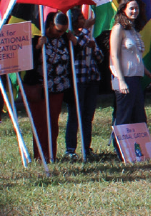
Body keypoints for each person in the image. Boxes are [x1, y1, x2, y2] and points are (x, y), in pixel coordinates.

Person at [28, 11, 73, 161]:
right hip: (39, 88)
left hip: (58, 88)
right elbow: (26, 63)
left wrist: (75, 42)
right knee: (40, 123)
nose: (61, 33)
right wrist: (36, 48)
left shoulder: (65, 38)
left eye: (64, 30)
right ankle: (40, 156)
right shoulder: (36, 38)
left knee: (53, 123)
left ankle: (51, 155)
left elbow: (72, 58)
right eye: (58, 30)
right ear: (50, 25)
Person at [109, 0, 151, 127]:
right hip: (124, 78)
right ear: (123, 9)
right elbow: (114, 55)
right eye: (131, 8)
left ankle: (137, 146)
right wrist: (121, 80)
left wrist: (149, 74)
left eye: (136, 8)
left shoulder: (133, 30)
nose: (134, 11)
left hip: (136, 78)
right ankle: (120, 147)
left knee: (139, 117)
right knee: (124, 116)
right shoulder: (118, 28)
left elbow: (137, 58)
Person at [64, 9, 102, 158]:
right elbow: (77, 46)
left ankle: (86, 148)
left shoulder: (88, 36)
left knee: (88, 116)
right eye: (80, 18)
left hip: (92, 79)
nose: (83, 20)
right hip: (77, 81)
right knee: (74, 115)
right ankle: (70, 149)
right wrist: (86, 29)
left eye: (83, 18)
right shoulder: (70, 36)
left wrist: (94, 48)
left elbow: (100, 57)